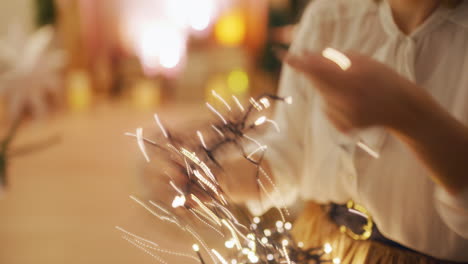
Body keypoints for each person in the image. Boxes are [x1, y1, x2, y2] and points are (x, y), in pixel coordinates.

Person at [224, 0, 468, 263]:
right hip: (316, 248)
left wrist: (413, 120)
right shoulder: (329, 16)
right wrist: (223, 176)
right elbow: (291, 148)